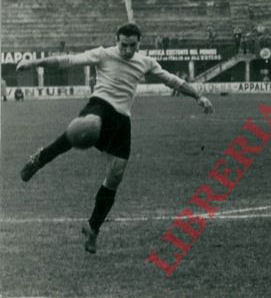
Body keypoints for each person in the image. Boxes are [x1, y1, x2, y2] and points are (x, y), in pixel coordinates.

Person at [16, 23, 214, 254]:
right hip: (100, 105)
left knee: (115, 175)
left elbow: (172, 80)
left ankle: (93, 229)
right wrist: (33, 62)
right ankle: (39, 159)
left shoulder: (145, 62)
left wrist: (198, 96)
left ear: (139, 43)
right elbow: (67, 61)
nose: (128, 50)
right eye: (123, 45)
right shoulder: (103, 54)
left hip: (122, 119)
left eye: (132, 45)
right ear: (116, 41)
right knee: (82, 130)